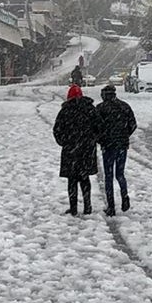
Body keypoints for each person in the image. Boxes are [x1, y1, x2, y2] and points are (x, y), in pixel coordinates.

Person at [52, 84, 100, 215]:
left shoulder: (65, 111)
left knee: (72, 179)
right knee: (84, 178)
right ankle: (87, 206)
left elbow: (57, 130)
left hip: (71, 149)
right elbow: (99, 127)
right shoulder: (90, 109)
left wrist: (64, 142)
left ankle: (73, 208)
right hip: (87, 149)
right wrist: (92, 140)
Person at [94, 83, 136, 217]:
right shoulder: (124, 106)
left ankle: (111, 206)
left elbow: (95, 128)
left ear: (104, 95)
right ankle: (125, 197)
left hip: (108, 146)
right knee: (120, 174)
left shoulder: (100, 108)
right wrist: (124, 135)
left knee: (108, 176)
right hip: (122, 145)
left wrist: (101, 139)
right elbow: (133, 124)